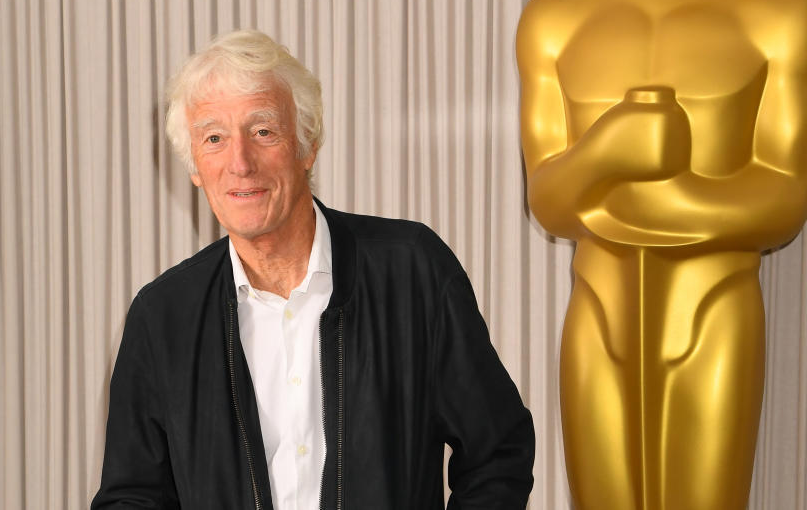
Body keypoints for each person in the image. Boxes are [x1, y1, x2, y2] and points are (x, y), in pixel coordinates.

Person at [92, 29, 534, 510]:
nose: (240, 162)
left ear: (308, 145)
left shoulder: (412, 271)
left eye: (263, 131)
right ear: (195, 166)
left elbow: (497, 450)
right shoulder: (162, 318)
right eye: (214, 138)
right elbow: (132, 497)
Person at [517, 0, 807, 508]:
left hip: (714, 310)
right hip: (598, 314)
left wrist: (663, 195)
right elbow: (548, 200)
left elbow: (784, 197)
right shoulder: (552, 17)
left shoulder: (789, 9)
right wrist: (607, 151)